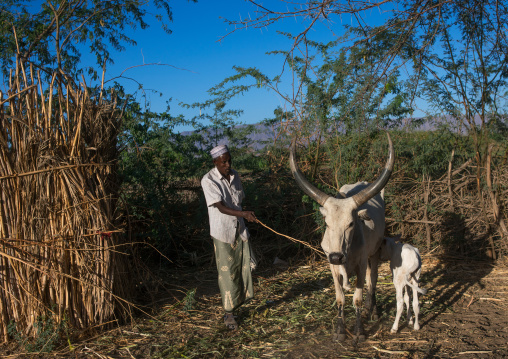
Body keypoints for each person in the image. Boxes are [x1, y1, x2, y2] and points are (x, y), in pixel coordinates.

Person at [201, 145, 257, 330]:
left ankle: (238, 304)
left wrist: (244, 216)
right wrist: (244, 214)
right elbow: (221, 207)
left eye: (229, 160)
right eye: (223, 162)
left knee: (242, 269)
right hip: (223, 232)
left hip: (239, 229)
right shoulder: (208, 180)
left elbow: (238, 201)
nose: (227, 164)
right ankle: (228, 314)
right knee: (227, 273)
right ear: (215, 162)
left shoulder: (235, 176)